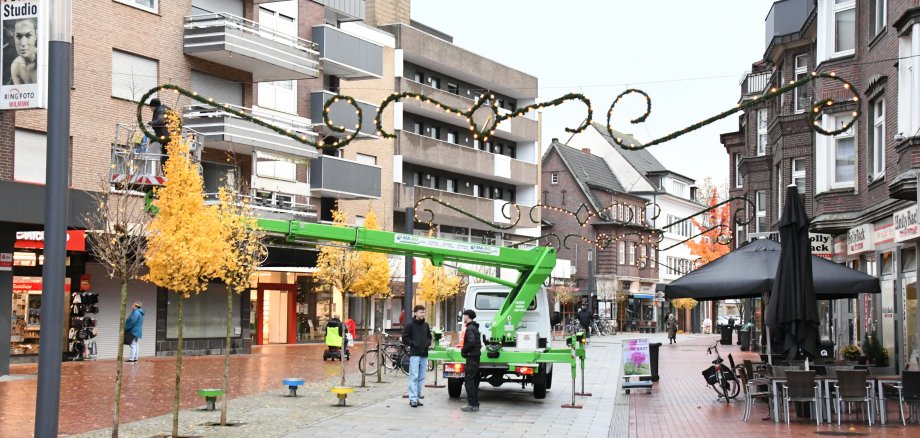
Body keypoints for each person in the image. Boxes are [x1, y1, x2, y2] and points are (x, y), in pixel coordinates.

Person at [402, 305, 432, 408]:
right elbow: (405, 338)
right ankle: (413, 399)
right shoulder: (410, 325)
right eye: (420, 312)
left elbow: (429, 336)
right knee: (413, 376)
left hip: (424, 354)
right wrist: (414, 344)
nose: (422, 314)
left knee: (422, 377)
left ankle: (417, 397)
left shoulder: (426, 325)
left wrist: (427, 343)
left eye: (423, 312)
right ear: (415, 313)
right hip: (415, 354)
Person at [460, 309, 482, 412]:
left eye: (464, 315)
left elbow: (471, 342)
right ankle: (475, 404)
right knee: (474, 381)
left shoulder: (470, 328)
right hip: (476, 357)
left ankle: (472, 404)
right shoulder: (475, 327)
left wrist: (463, 351)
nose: (463, 317)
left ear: (467, 316)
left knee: (469, 381)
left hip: (471, 357)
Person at [9, 18, 38, 85]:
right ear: (14, 37)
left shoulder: (45, 61)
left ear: (35, 35)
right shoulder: (16, 67)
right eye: (18, 36)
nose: (23, 43)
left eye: (28, 36)